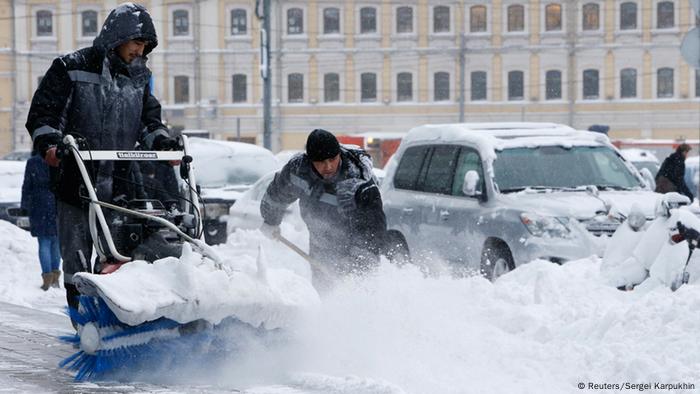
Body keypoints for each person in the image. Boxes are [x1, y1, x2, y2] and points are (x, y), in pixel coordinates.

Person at [25, 3, 178, 314]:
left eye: (145, 46)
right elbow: (44, 114)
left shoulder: (139, 76)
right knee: (77, 256)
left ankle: (116, 316)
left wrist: (161, 141)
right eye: (137, 42)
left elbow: (148, 119)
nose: (140, 50)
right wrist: (52, 145)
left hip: (121, 180)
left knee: (119, 252)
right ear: (120, 36)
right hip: (77, 177)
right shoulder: (72, 67)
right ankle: (82, 316)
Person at [260, 129, 386, 284]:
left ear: (339, 154)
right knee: (324, 291)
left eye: (332, 159)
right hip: (320, 243)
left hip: (355, 246)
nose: (328, 166)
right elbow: (277, 194)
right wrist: (271, 220)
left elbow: (372, 228)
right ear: (311, 160)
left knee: (356, 294)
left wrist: (357, 265)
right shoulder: (299, 169)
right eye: (320, 161)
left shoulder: (358, 181)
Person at [21, 152, 61, 291]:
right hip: (57, 203)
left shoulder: (33, 162)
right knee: (56, 242)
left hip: (38, 205)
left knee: (44, 242)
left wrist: (24, 206)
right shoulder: (59, 158)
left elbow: (27, 184)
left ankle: (47, 279)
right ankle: (55, 278)